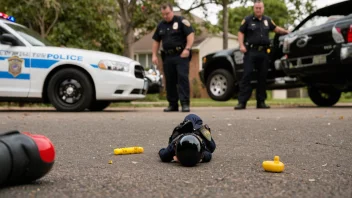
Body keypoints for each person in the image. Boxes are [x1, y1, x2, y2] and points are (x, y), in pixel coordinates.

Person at [235, 0, 289, 110]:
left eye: (260, 8)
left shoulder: (267, 20)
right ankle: (242, 102)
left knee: (262, 77)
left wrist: (287, 32)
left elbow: (276, 29)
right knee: (247, 75)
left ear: (263, 9)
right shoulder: (247, 20)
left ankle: (261, 102)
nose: (258, 10)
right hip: (251, 52)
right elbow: (240, 32)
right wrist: (241, 45)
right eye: (256, 8)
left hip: (264, 53)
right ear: (254, 9)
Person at [152, 3, 195, 112]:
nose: (166, 16)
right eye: (163, 14)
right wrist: (154, 55)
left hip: (181, 55)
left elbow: (190, 34)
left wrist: (187, 49)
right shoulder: (161, 25)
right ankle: (173, 104)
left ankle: (185, 104)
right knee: (170, 81)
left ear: (172, 11)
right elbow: (156, 40)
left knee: (182, 78)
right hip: (168, 56)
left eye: (167, 13)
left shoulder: (181, 21)